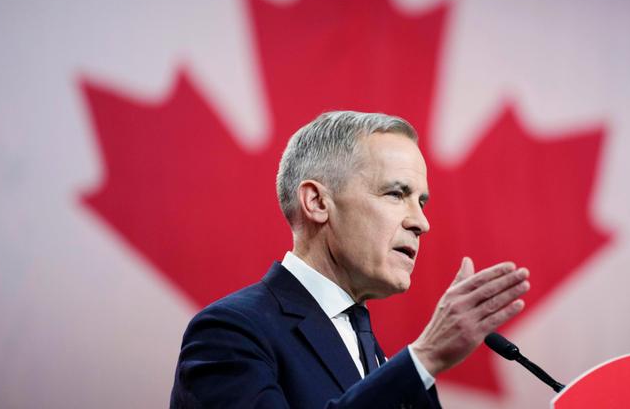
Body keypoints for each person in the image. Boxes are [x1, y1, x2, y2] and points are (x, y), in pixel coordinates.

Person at [170, 111, 530, 408]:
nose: (421, 222)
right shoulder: (230, 332)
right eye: (396, 193)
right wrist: (425, 357)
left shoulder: (374, 354)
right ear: (317, 203)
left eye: (420, 201)